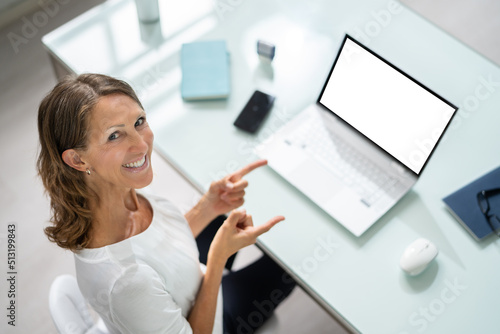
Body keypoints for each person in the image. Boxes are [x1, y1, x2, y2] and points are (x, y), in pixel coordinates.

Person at [37, 73, 295, 334]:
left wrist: (209, 206)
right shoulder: (126, 282)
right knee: (290, 263)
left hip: (185, 282)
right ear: (78, 160)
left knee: (223, 218)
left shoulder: (113, 194)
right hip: (209, 322)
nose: (141, 145)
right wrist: (218, 259)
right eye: (114, 136)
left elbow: (157, 249)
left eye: (139, 121)